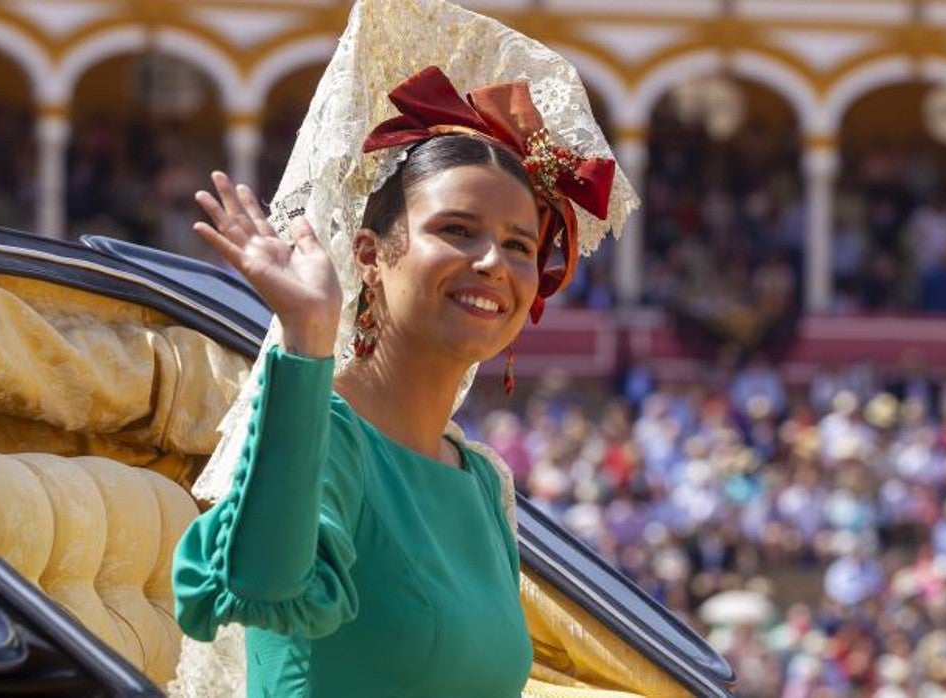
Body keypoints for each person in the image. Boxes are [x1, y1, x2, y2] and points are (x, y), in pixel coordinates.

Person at [167, 1, 637, 695]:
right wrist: (307, 338)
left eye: (519, 245)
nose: (491, 264)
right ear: (370, 254)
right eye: (455, 230)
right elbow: (263, 585)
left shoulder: (481, 481)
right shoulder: (323, 434)